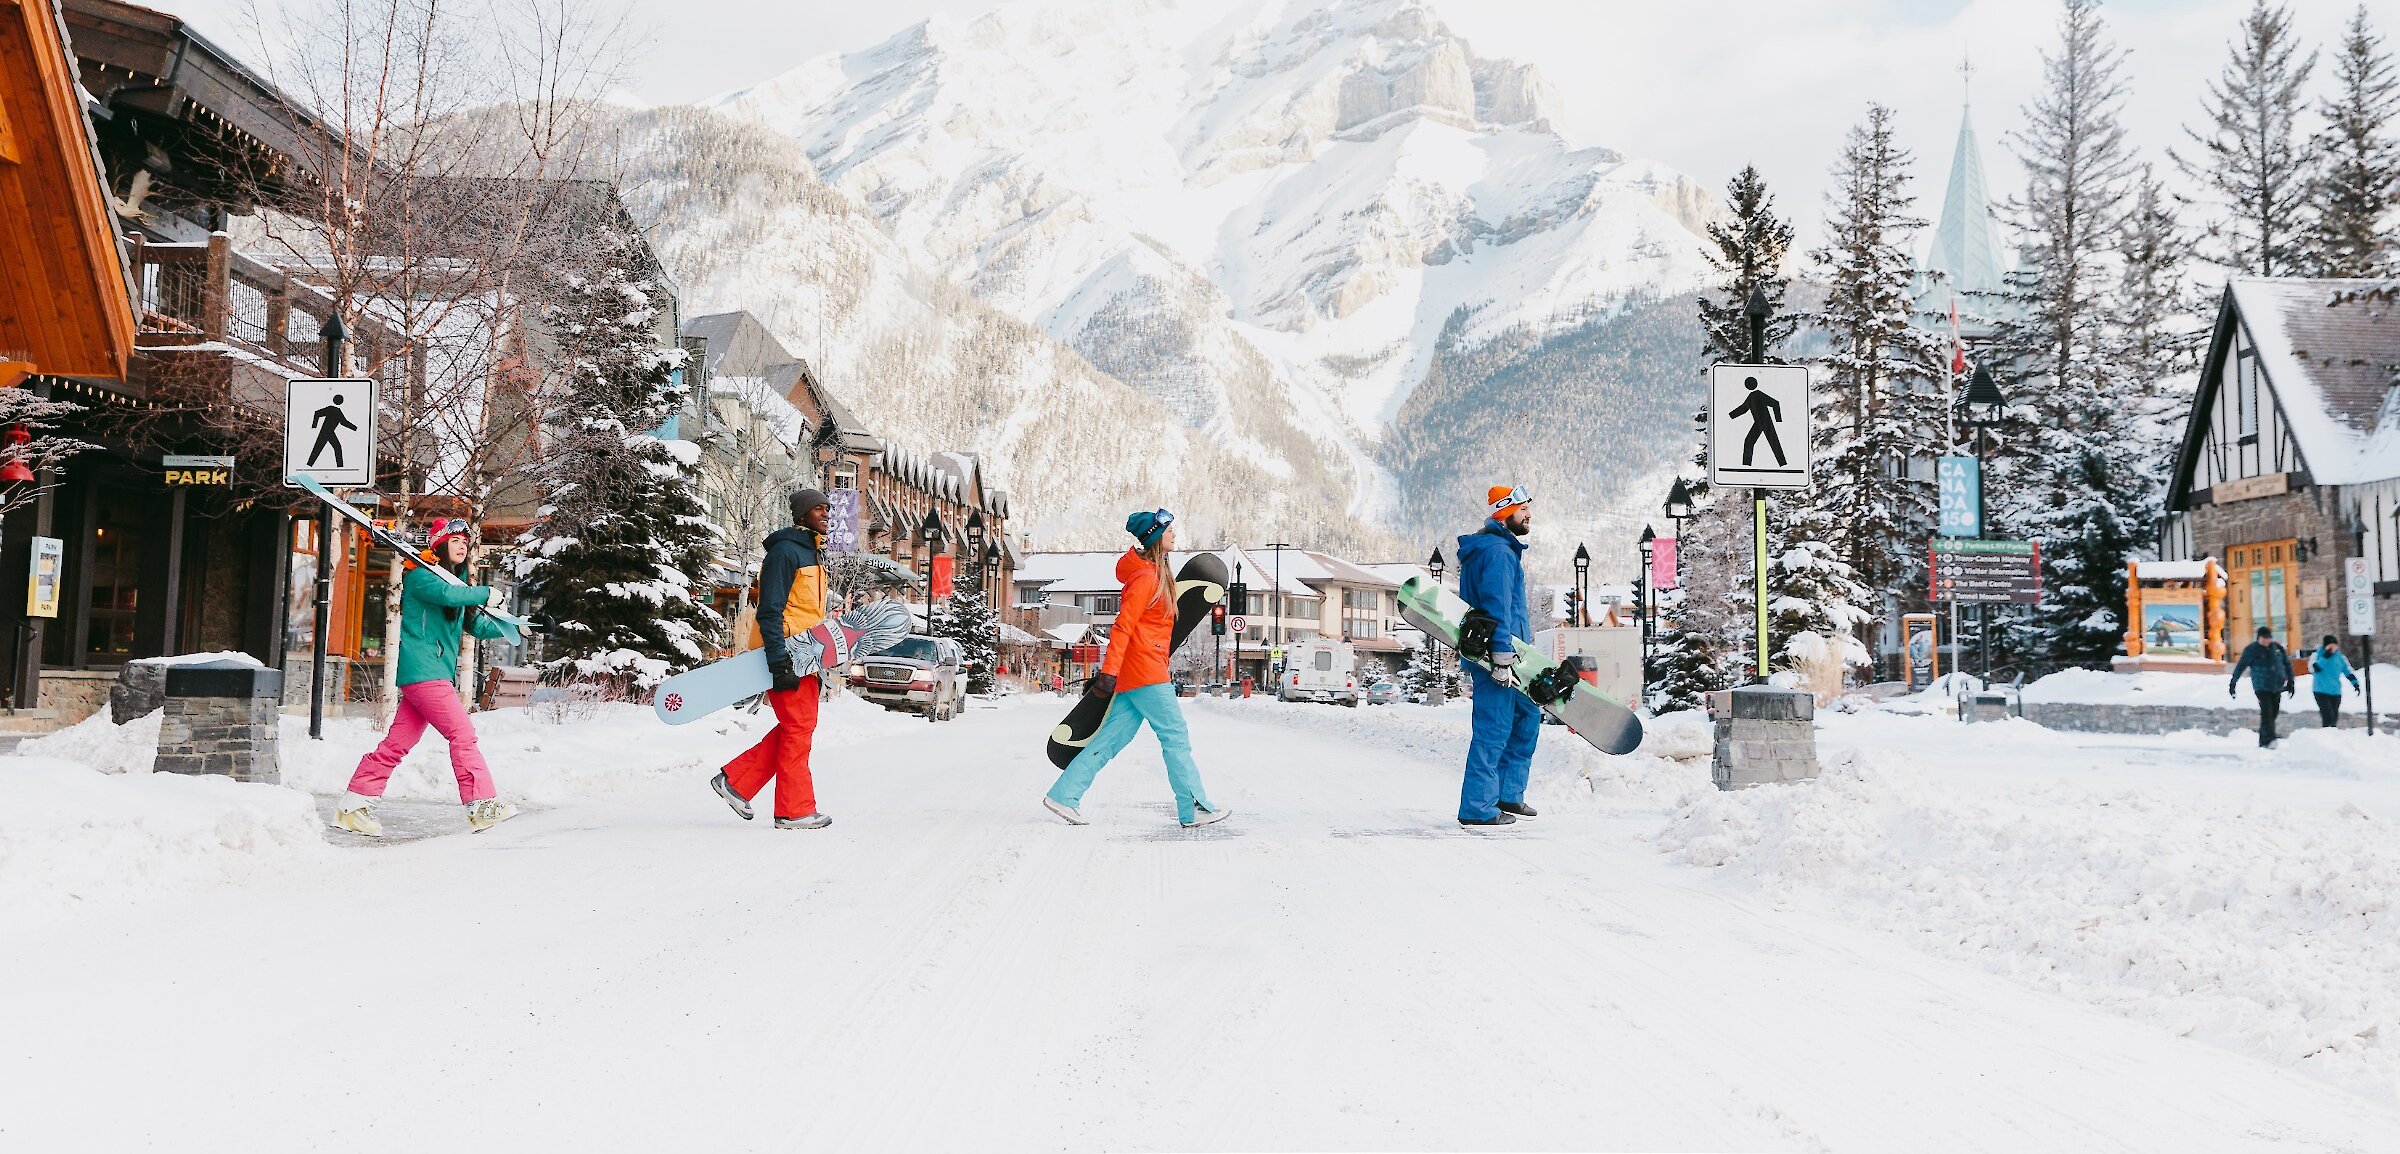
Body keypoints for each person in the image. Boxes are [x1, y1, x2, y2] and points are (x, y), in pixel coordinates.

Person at [1043, 509, 1229, 829]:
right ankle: (1193, 806)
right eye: (1169, 530)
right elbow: (1123, 627)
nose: (1174, 534)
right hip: (1145, 671)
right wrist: (1108, 672)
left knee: (1110, 740)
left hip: (1140, 670)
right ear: (1156, 536)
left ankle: (1064, 794)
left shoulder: (1154, 576)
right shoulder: (1145, 579)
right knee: (1175, 736)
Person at [335, 518, 517, 835]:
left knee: (396, 744)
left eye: (466, 541)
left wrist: (520, 625)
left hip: (431, 676)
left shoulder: (456, 589)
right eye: (455, 540)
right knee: (462, 734)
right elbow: (449, 596)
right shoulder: (421, 578)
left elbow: (476, 626)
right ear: (439, 545)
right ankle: (482, 805)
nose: (462, 545)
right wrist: (485, 592)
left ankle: (355, 805)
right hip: (425, 673)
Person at [710, 489, 837, 830]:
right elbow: (770, 611)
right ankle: (794, 810)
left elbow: (809, 612)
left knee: (799, 727)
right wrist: (778, 661)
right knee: (798, 729)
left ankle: (736, 781)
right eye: (817, 509)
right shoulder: (785, 553)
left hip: (807, 655)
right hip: (787, 654)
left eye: (827, 509)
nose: (825, 514)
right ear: (801, 515)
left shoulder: (814, 553)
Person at [1454, 485, 1540, 829]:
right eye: (1522, 510)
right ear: (1505, 514)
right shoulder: (1499, 554)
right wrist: (1501, 657)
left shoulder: (1498, 550)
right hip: (1500, 656)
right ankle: (1478, 807)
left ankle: (1507, 792)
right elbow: (1497, 608)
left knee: (1527, 716)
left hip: (1516, 653)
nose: (1529, 515)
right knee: (1493, 729)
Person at [2227, 625, 2296, 748]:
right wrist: (2233, 682)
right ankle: (2270, 739)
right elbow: (2241, 666)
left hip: (2277, 685)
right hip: (2261, 686)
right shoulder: (2251, 650)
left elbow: (2286, 664)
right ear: (2259, 638)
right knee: (2267, 713)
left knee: (2274, 712)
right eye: (2265, 638)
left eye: (2269, 638)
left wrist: (2291, 682)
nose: (2267, 641)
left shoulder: (2277, 648)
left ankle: (2263, 740)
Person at [2309, 635, 2363, 728]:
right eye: (2331, 646)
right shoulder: (2316, 655)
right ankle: (2326, 737)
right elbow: (2314, 669)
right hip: (2320, 691)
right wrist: (2326, 656)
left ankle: (2332, 738)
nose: (2333, 648)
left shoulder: (2340, 657)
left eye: (2335, 645)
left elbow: (2348, 672)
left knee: (2334, 718)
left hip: (2335, 691)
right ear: (2325, 646)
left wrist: (2355, 684)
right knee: (2327, 717)